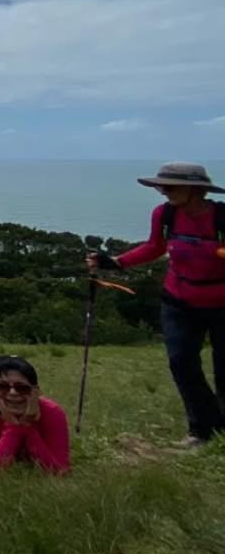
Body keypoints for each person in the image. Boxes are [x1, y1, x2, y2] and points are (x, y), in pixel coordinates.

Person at [90, 161, 225, 446]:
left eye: (171, 186)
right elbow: (155, 247)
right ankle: (202, 429)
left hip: (221, 303)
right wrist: (116, 262)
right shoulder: (165, 215)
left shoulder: (221, 217)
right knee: (181, 364)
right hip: (178, 301)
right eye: (161, 186)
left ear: (195, 189)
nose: (163, 191)